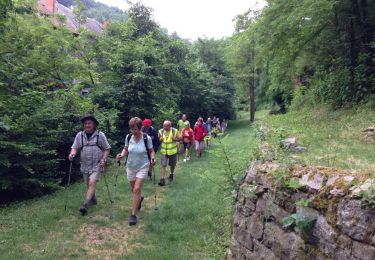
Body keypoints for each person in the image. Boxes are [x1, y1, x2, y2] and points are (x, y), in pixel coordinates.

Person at [116, 117, 156, 226]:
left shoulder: (146, 138)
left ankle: (133, 215)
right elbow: (125, 148)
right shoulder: (128, 137)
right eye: (131, 129)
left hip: (143, 166)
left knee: (137, 188)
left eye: (135, 129)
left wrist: (153, 158)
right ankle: (139, 198)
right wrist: (122, 155)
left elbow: (151, 151)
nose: (132, 131)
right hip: (130, 166)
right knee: (134, 190)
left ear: (140, 127)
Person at [69, 115, 111, 215]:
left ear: (94, 125)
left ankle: (85, 205)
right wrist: (72, 153)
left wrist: (103, 159)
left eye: (89, 123)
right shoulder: (80, 135)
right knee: (88, 184)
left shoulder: (100, 135)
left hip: (97, 164)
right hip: (84, 165)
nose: (87, 125)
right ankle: (93, 198)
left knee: (92, 182)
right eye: (85, 123)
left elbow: (107, 149)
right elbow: (74, 147)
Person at [158, 120, 179, 186]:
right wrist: (160, 139)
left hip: (172, 152)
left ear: (170, 126)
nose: (165, 127)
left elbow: (180, 139)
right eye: (164, 126)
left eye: (166, 126)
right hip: (164, 152)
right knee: (163, 165)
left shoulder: (175, 131)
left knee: (172, 165)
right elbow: (159, 138)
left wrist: (174, 139)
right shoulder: (160, 131)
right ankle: (162, 179)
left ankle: (171, 174)